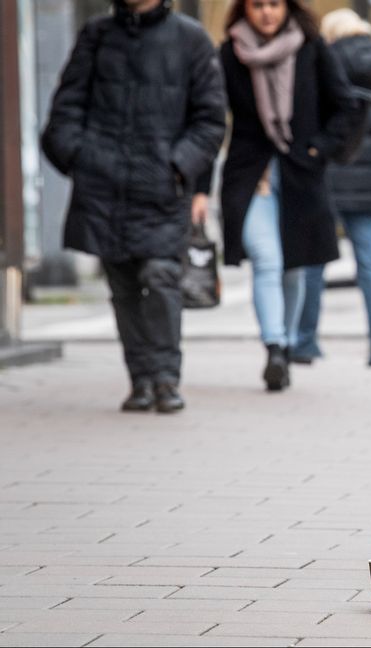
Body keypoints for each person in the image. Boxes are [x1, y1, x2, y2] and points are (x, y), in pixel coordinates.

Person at [40, 0, 226, 413]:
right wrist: (80, 158)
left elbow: (211, 120)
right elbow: (65, 110)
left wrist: (179, 167)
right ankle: (140, 380)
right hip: (104, 185)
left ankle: (165, 378)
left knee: (160, 275)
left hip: (161, 186)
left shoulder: (190, 39)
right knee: (123, 285)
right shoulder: (97, 35)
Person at [197, 0, 360, 391]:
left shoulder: (311, 47)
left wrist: (318, 148)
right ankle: (274, 346)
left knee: (294, 266)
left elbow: (345, 107)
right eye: (257, 5)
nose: (266, 13)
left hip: (300, 174)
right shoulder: (230, 54)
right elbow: (210, 121)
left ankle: (284, 344)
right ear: (244, 10)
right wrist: (200, 188)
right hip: (250, 176)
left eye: (274, 4)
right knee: (267, 260)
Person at [292, 9, 371, 368]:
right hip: (368, 184)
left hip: (325, 178)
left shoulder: (323, 72)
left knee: (313, 262)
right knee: (370, 264)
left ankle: (304, 342)